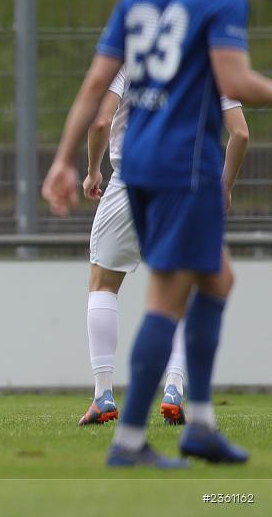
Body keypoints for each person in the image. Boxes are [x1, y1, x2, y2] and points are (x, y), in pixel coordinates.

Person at [42, 0, 272, 467]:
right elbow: (234, 84)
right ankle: (135, 439)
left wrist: (63, 161)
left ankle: (197, 421)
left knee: (216, 278)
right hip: (182, 166)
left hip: (136, 166)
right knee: (170, 295)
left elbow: (96, 86)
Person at [79, 67, 249, 427]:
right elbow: (240, 133)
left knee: (103, 284)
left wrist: (93, 170)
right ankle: (174, 386)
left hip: (131, 181)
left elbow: (99, 122)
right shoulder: (209, 60)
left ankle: (103, 394)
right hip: (184, 187)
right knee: (181, 290)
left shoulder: (131, 55)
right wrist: (225, 186)